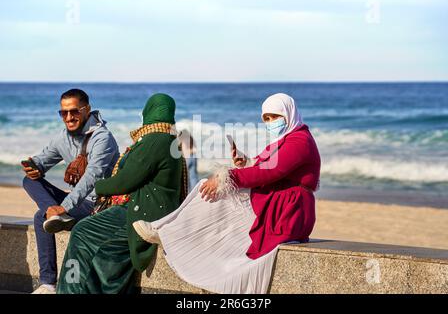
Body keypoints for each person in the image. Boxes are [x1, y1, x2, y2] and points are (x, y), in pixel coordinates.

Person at [133, 93, 321, 293]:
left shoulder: (300, 141)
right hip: (277, 202)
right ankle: (170, 231)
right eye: (266, 119)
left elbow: (270, 172)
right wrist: (245, 162)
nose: (270, 123)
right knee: (209, 188)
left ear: (288, 113)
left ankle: (168, 231)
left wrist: (227, 177)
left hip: (289, 211)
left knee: (214, 191)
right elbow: (264, 166)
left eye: (274, 117)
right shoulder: (285, 140)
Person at [56, 93, 188, 294]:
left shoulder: (155, 140)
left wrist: (99, 188)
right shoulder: (170, 139)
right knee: (104, 250)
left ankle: (68, 290)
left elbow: (125, 181)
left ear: (149, 111)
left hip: (140, 212)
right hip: (151, 210)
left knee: (81, 231)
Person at [22, 88, 119, 294]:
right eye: (63, 113)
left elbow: (91, 179)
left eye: (74, 111)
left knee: (41, 217)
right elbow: (44, 159)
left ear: (87, 110)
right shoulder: (63, 137)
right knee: (29, 182)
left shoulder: (103, 139)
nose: (68, 117)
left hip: (98, 204)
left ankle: (48, 283)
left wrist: (63, 208)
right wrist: (33, 165)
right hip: (77, 202)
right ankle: (48, 285)